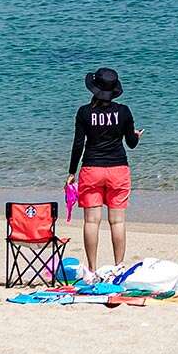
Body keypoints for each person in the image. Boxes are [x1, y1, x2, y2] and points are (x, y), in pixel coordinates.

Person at [66, 67, 143, 272]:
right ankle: (118, 268)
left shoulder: (84, 112)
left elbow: (78, 145)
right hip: (118, 169)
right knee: (117, 222)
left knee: (91, 222)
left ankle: (91, 270)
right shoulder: (123, 111)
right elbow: (131, 143)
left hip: (92, 169)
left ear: (94, 89)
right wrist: (136, 135)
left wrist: (72, 172)